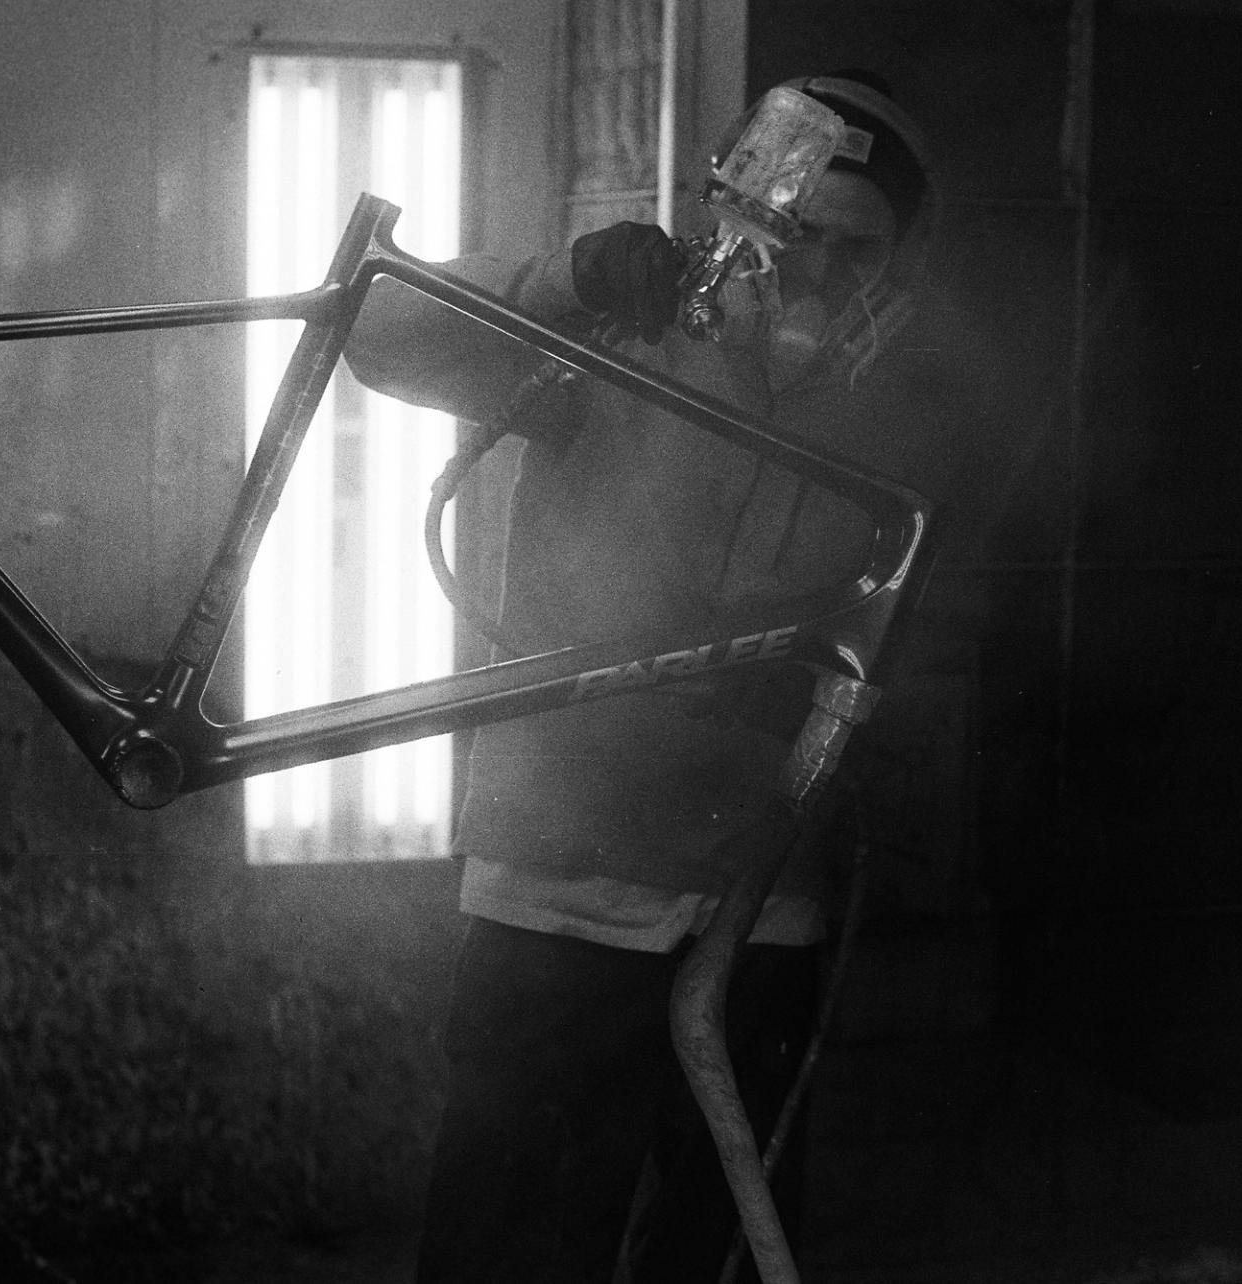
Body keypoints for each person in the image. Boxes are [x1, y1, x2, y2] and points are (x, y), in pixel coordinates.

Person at [345, 71, 939, 1284]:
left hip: (756, 897)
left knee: (711, 1245)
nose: (815, 276)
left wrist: (844, 700)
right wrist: (565, 281)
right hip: (561, 880)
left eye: (854, 251)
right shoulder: (623, 330)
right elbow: (373, 337)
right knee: (512, 1240)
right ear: (737, 210)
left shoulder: (894, 418)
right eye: (795, 233)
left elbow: (918, 635)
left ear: (900, 267)